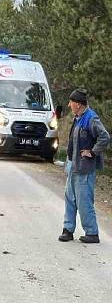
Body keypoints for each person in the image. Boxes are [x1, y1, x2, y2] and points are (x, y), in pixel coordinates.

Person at [59, 88, 110, 244]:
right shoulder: (78, 117)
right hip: (73, 167)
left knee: (84, 201)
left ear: (78, 104)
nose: (69, 105)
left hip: (85, 169)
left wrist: (93, 152)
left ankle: (92, 233)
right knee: (70, 199)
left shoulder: (91, 118)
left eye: (71, 102)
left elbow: (105, 137)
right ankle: (68, 230)